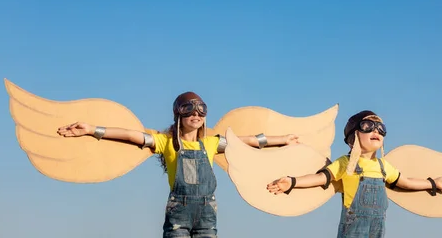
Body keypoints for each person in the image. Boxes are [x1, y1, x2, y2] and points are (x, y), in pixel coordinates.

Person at [57, 91, 299, 238]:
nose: (196, 115)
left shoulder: (213, 143)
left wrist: (282, 140)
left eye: (201, 112)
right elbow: (131, 135)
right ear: (179, 116)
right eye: (189, 111)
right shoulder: (165, 142)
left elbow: (251, 141)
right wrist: (92, 130)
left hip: (207, 214)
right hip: (178, 215)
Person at [266, 110, 442, 238]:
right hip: (353, 226)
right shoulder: (346, 163)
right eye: (368, 126)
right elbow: (320, 178)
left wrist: (433, 183)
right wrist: (291, 181)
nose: (376, 131)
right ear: (353, 137)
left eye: (381, 129)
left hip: (378, 227)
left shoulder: (383, 166)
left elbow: (405, 182)